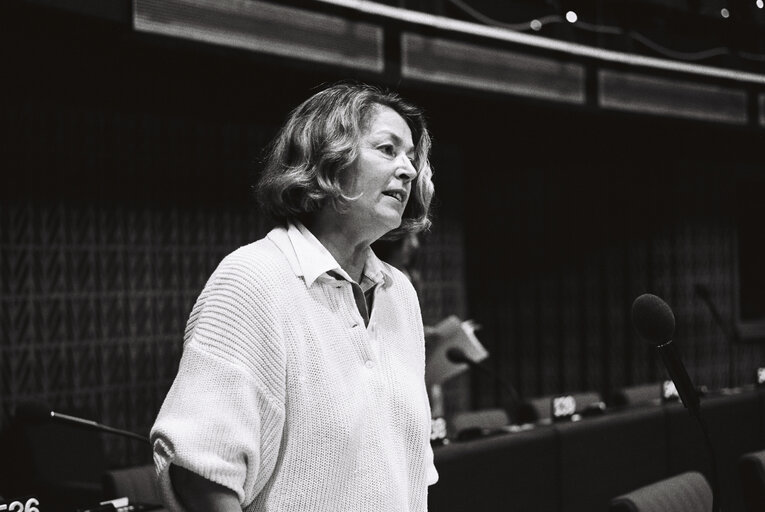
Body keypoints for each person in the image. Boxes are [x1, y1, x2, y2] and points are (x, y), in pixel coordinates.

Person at [150, 82, 438, 512]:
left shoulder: (400, 294)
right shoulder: (253, 279)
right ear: (328, 159)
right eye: (387, 149)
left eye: (410, 156)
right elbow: (199, 471)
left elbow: (408, 469)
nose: (409, 170)